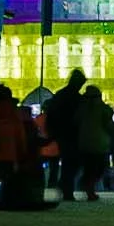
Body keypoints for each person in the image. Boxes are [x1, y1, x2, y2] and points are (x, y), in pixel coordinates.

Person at [43, 70, 88, 202]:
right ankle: (66, 189)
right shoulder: (74, 98)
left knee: (70, 163)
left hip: (63, 134)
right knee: (71, 163)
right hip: (70, 134)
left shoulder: (61, 95)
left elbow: (51, 116)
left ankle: (65, 187)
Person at [75, 84, 112, 200]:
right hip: (99, 144)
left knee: (91, 169)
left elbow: (76, 122)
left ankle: (89, 189)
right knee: (97, 168)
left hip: (85, 143)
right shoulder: (103, 109)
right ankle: (90, 190)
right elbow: (108, 126)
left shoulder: (81, 109)